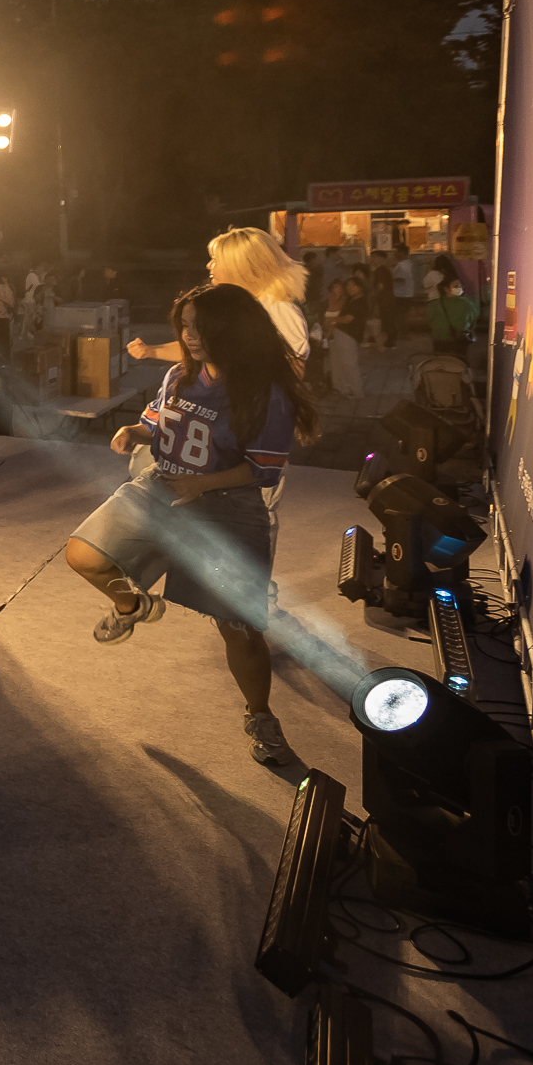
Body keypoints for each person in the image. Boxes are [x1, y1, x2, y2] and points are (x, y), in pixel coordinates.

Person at [64, 283, 314, 766]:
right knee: (83, 554)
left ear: (232, 330)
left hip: (226, 502)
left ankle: (260, 714)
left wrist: (203, 485)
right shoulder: (180, 375)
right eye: (185, 325)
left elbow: (263, 470)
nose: (189, 335)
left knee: (238, 624)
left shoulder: (266, 393)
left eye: (201, 326)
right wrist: (134, 431)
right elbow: (157, 427)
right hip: (162, 484)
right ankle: (133, 603)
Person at [128, 228, 310, 369]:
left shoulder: (277, 308)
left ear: (239, 266)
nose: (209, 265)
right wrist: (150, 351)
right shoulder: (235, 306)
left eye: (215, 259)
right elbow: (203, 349)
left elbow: (294, 369)